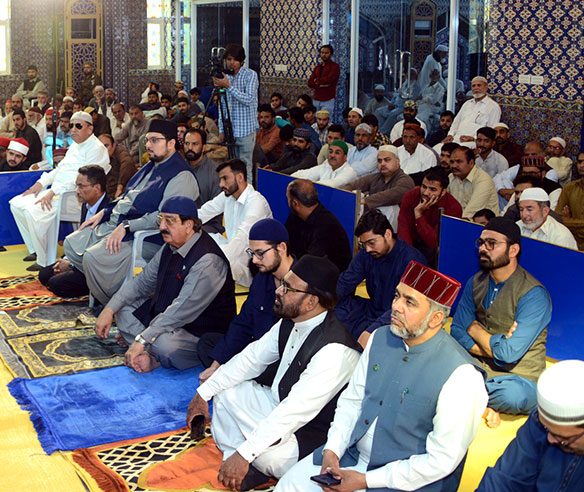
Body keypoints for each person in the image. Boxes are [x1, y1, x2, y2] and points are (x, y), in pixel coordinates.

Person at [274, 262, 487, 492]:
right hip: (350, 457)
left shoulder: (462, 376)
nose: (395, 306)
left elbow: (441, 460)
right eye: (397, 296)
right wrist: (332, 450)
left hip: (405, 481)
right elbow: (352, 401)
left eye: (409, 302)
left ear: (436, 318)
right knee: (289, 485)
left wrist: (366, 480)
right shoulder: (380, 338)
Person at [188, 255, 361, 490]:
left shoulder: (336, 350)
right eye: (283, 283)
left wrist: (246, 452)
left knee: (271, 457)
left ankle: (250, 460)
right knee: (225, 390)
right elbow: (249, 360)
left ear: (311, 301)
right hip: (277, 407)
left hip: (308, 436)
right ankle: (236, 457)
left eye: (288, 288)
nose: (279, 290)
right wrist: (203, 393)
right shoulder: (290, 321)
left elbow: (295, 412)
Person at [60, 119, 199, 305]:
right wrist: (104, 212)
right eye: (147, 140)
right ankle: (109, 289)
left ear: (171, 143)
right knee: (72, 244)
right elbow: (127, 197)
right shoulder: (152, 166)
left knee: (92, 258)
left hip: (146, 237)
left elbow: (165, 219)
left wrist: (127, 226)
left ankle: (115, 305)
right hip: (118, 223)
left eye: (155, 140)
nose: (148, 145)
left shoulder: (182, 176)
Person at [93, 196, 235, 372]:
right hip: (166, 317)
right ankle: (148, 353)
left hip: (197, 330)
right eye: (161, 220)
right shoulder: (171, 245)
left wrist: (141, 339)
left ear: (189, 225)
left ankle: (152, 355)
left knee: (164, 345)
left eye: (170, 221)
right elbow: (142, 282)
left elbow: (180, 311)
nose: (161, 227)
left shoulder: (207, 261)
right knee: (122, 308)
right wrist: (109, 309)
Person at [451, 217, 552, 429]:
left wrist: (474, 327)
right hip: (480, 367)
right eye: (481, 243)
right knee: (437, 356)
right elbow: (457, 330)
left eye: (492, 244)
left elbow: (509, 354)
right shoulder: (475, 282)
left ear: (513, 250)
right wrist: (491, 345)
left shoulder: (534, 295)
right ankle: (481, 401)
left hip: (518, 377)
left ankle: (469, 394)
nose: (483, 249)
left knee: (515, 397)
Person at [9, 111, 110, 267]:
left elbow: (83, 181)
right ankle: (36, 250)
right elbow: (60, 169)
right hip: (58, 192)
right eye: (71, 125)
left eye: (78, 125)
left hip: (76, 197)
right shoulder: (76, 146)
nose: (73, 129)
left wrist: (52, 192)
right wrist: (41, 183)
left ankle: (45, 261)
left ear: (90, 129)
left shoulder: (97, 149)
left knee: (33, 210)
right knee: (17, 203)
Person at [197, 219, 293, 372]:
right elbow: (243, 323)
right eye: (252, 253)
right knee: (207, 344)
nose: (254, 260)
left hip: (284, 358)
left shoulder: (303, 282)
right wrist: (216, 365)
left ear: (281, 248)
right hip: (256, 350)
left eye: (260, 253)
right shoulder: (262, 279)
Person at [477, 360, 584, 491]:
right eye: (547, 429)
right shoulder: (540, 422)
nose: (549, 439)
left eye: (563, 438)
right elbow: (505, 478)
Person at [336, 209, 426, 344]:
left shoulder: (412, 261)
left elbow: (406, 307)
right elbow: (346, 282)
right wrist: (324, 301)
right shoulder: (367, 254)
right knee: (333, 308)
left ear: (388, 234)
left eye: (371, 243)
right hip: (372, 309)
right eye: (363, 244)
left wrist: (371, 330)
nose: (367, 249)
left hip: (398, 317)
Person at [36, 165, 112, 298]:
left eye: (81, 186)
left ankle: (95, 289)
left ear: (97, 188)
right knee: (44, 274)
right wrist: (66, 260)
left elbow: (99, 251)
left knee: (55, 284)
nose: (77, 191)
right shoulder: (86, 206)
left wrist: (71, 264)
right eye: (77, 186)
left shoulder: (108, 212)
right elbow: (81, 241)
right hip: (78, 260)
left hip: (94, 267)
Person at [197, 159, 272, 285]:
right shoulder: (228, 196)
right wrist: (181, 221)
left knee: (212, 262)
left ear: (240, 177)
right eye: (220, 179)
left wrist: (218, 259)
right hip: (233, 247)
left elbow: (242, 238)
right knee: (200, 239)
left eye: (225, 178)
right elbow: (205, 212)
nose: (221, 184)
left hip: (253, 257)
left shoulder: (256, 202)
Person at [397, 167, 464, 266]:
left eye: (432, 189)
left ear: (443, 191)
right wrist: (408, 257)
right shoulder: (411, 196)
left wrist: (419, 215)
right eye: (424, 187)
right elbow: (403, 230)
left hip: (435, 252)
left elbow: (434, 243)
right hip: (411, 246)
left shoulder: (453, 208)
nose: (425, 192)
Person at [212, 43, 259, 185]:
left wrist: (228, 87)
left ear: (242, 61)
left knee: (245, 167)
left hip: (246, 131)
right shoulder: (225, 76)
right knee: (232, 167)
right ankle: (234, 193)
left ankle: (249, 198)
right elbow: (223, 106)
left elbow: (249, 99)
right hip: (230, 130)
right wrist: (221, 129)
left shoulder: (250, 75)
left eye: (234, 60)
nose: (231, 63)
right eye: (228, 59)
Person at [284, 179, 352, 272]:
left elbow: (311, 265)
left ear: (295, 203)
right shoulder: (295, 216)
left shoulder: (327, 225)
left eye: (287, 198)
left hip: (328, 278)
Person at [444, 76, 502, 148]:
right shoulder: (467, 104)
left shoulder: (493, 107)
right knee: (437, 149)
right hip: (456, 139)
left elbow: (491, 131)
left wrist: (474, 138)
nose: (476, 88)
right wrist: (450, 135)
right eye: (473, 86)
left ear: (486, 87)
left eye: (479, 85)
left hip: (474, 142)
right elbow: (456, 122)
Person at [449, 145, 501, 216]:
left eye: (459, 161)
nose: (454, 166)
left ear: (471, 163)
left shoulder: (483, 180)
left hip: (481, 224)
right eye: (452, 162)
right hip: (459, 221)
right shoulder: (451, 177)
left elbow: (471, 213)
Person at [292, 139, 358, 188]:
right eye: (330, 152)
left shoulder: (350, 172)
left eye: (337, 153)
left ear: (345, 157)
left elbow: (332, 184)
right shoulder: (326, 166)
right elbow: (304, 173)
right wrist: (290, 179)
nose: (332, 155)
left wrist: (306, 185)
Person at [554, 150, 584, 249]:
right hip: (573, 244)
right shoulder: (569, 188)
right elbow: (558, 220)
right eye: (579, 162)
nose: (582, 165)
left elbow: (565, 221)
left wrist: (571, 221)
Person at [183, 128, 220, 208]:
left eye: (195, 144)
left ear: (203, 148)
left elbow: (217, 206)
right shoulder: (178, 167)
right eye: (187, 143)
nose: (190, 148)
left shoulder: (214, 171)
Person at [307, 44, 341, 116]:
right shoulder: (318, 67)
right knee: (315, 121)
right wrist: (320, 85)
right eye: (322, 52)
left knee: (325, 121)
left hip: (328, 99)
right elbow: (309, 82)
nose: (324, 55)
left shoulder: (335, 66)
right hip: (316, 99)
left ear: (331, 54)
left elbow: (329, 80)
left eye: (326, 53)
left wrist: (316, 82)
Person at [99, 132, 134, 199]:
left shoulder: (120, 152)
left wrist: (120, 186)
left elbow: (127, 162)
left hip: (123, 195)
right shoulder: (97, 157)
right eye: (101, 147)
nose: (103, 149)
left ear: (114, 145)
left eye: (106, 146)